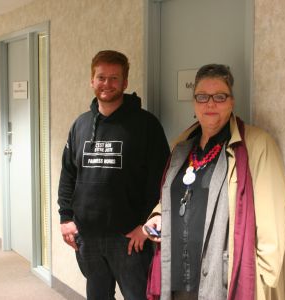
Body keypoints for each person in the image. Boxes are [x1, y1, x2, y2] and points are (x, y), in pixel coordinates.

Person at [144, 64, 285, 300]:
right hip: (178, 277)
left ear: (232, 102)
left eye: (219, 97)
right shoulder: (182, 146)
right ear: (194, 102)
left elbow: (272, 223)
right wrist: (157, 216)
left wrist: (262, 281)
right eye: (202, 97)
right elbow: (172, 196)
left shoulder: (256, 146)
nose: (210, 104)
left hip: (224, 281)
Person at [58, 50, 170, 299]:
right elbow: (68, 175)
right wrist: (66, 218)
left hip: (130, 239)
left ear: (125, 83)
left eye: (114, 78)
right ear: (92, 80)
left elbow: (162, 179)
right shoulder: (81, 125)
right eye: (100, 77)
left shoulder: (146, 125)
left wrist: (145, 227)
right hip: (87, 237)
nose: (106, 84)